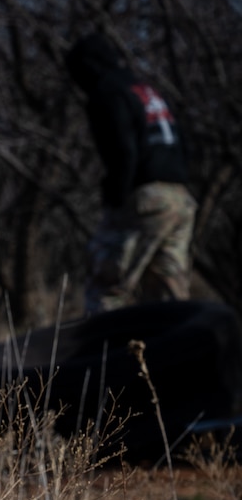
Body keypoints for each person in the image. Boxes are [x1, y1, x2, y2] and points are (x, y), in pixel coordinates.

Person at [64, 32, 196, 312]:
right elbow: (186, 143)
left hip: (144, 196)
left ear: (89, 67)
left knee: (108, 286)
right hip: (180, 196)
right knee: (168, 293)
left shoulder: (107, 92)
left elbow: (124, 151)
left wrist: (115, 197)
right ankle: (180, 352)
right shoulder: (145, 89)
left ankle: (104, 354)